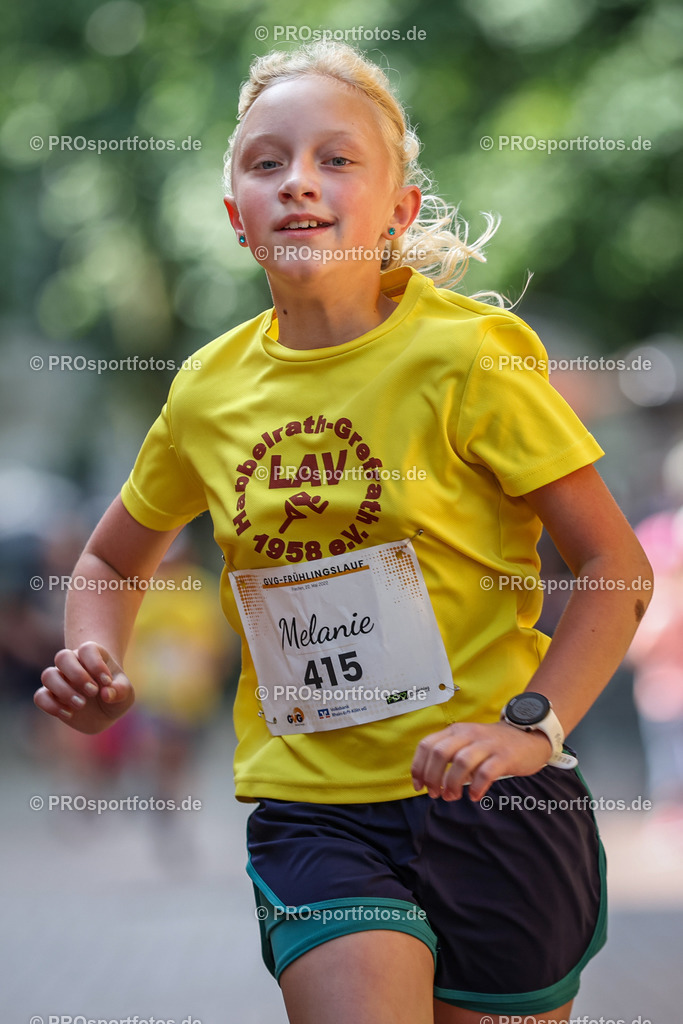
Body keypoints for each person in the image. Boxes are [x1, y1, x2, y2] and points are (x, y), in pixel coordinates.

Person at [35, 42, 653, 1024]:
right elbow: (113, 556)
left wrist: (529, 728)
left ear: (397, 210)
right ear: (236, 217)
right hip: (314, 810)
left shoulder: (472, 357)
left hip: (493, 798)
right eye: (266, 163)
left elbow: (612, 565)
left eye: (335, 159)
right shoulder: (207, 388)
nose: (298, 184)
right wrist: (94, 655)